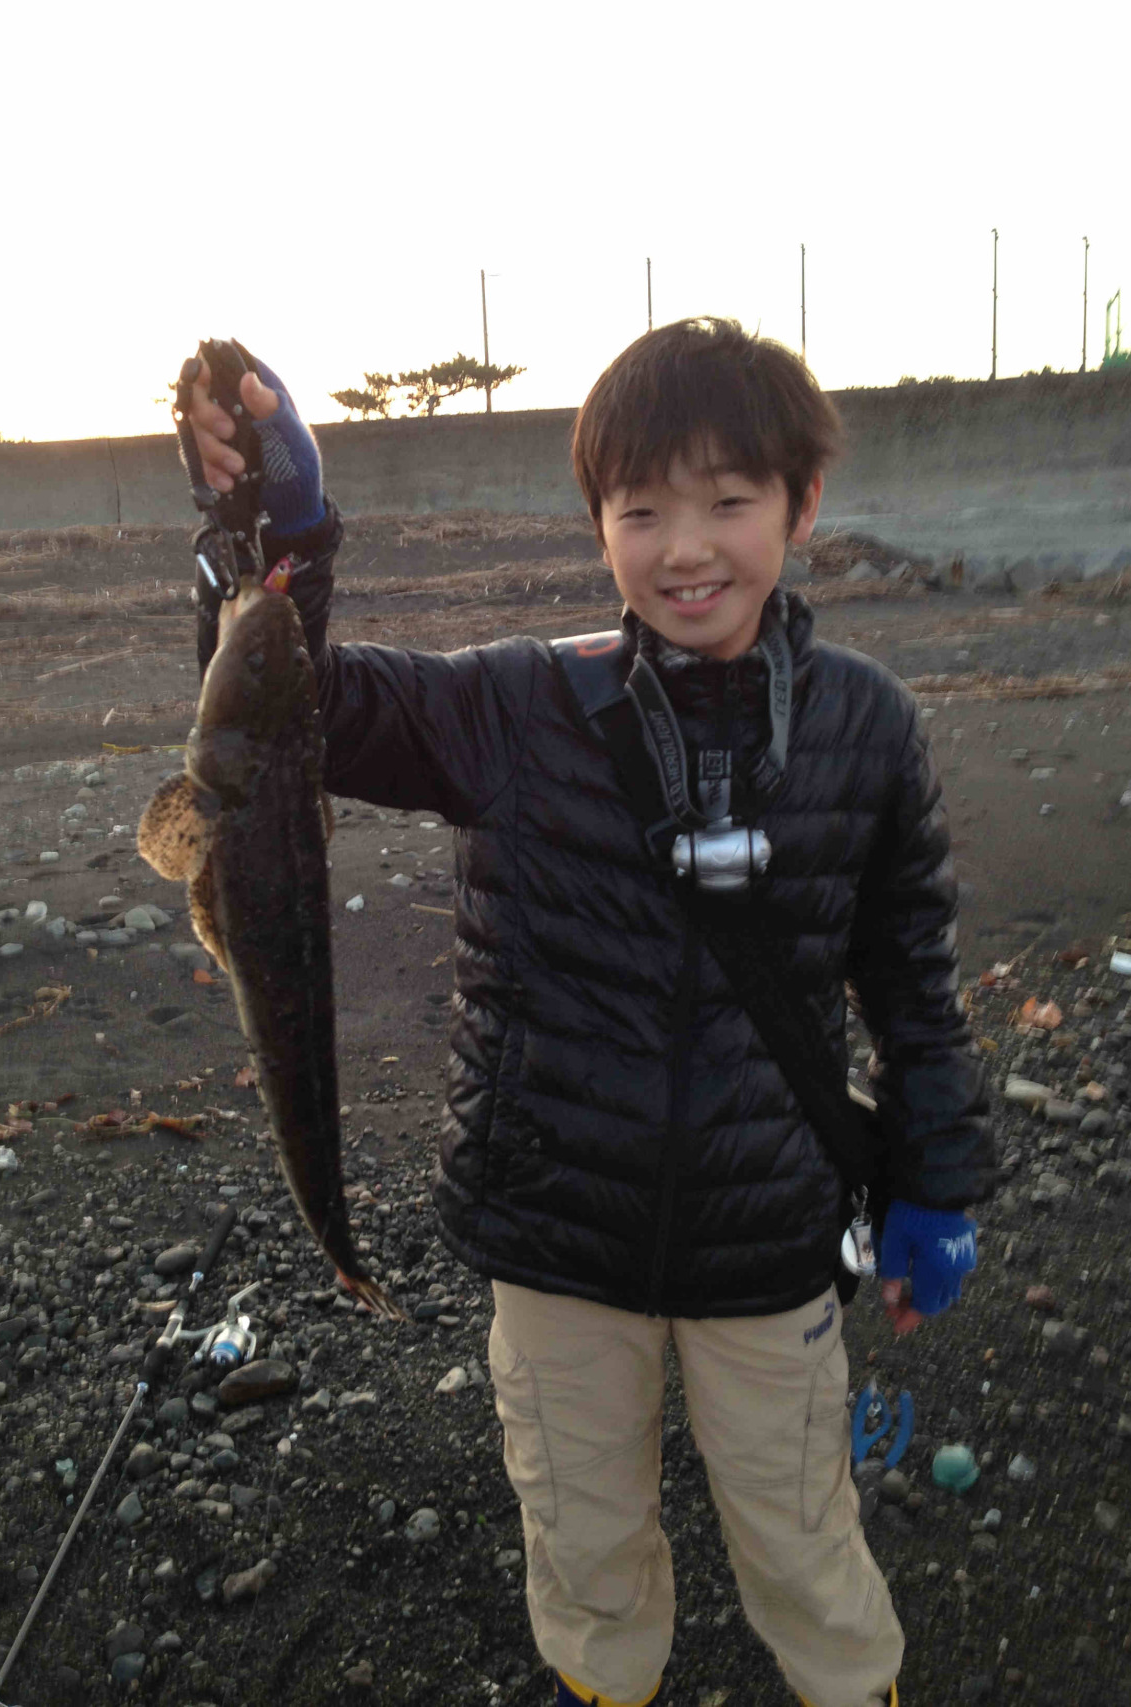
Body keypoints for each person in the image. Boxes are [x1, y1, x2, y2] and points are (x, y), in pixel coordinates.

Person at [180, 318, 994, 1707]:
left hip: (766, 1242)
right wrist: (279, 535)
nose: (687, 547)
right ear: (597, 525)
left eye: (729, 502)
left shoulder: (868, 726)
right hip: (555, 1234)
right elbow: (297, 709)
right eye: (642, 510)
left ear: (802, 507)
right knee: (584, 1542)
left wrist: (939, 1179)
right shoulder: (516, 706)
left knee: (803, 1537)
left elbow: (910, 976)